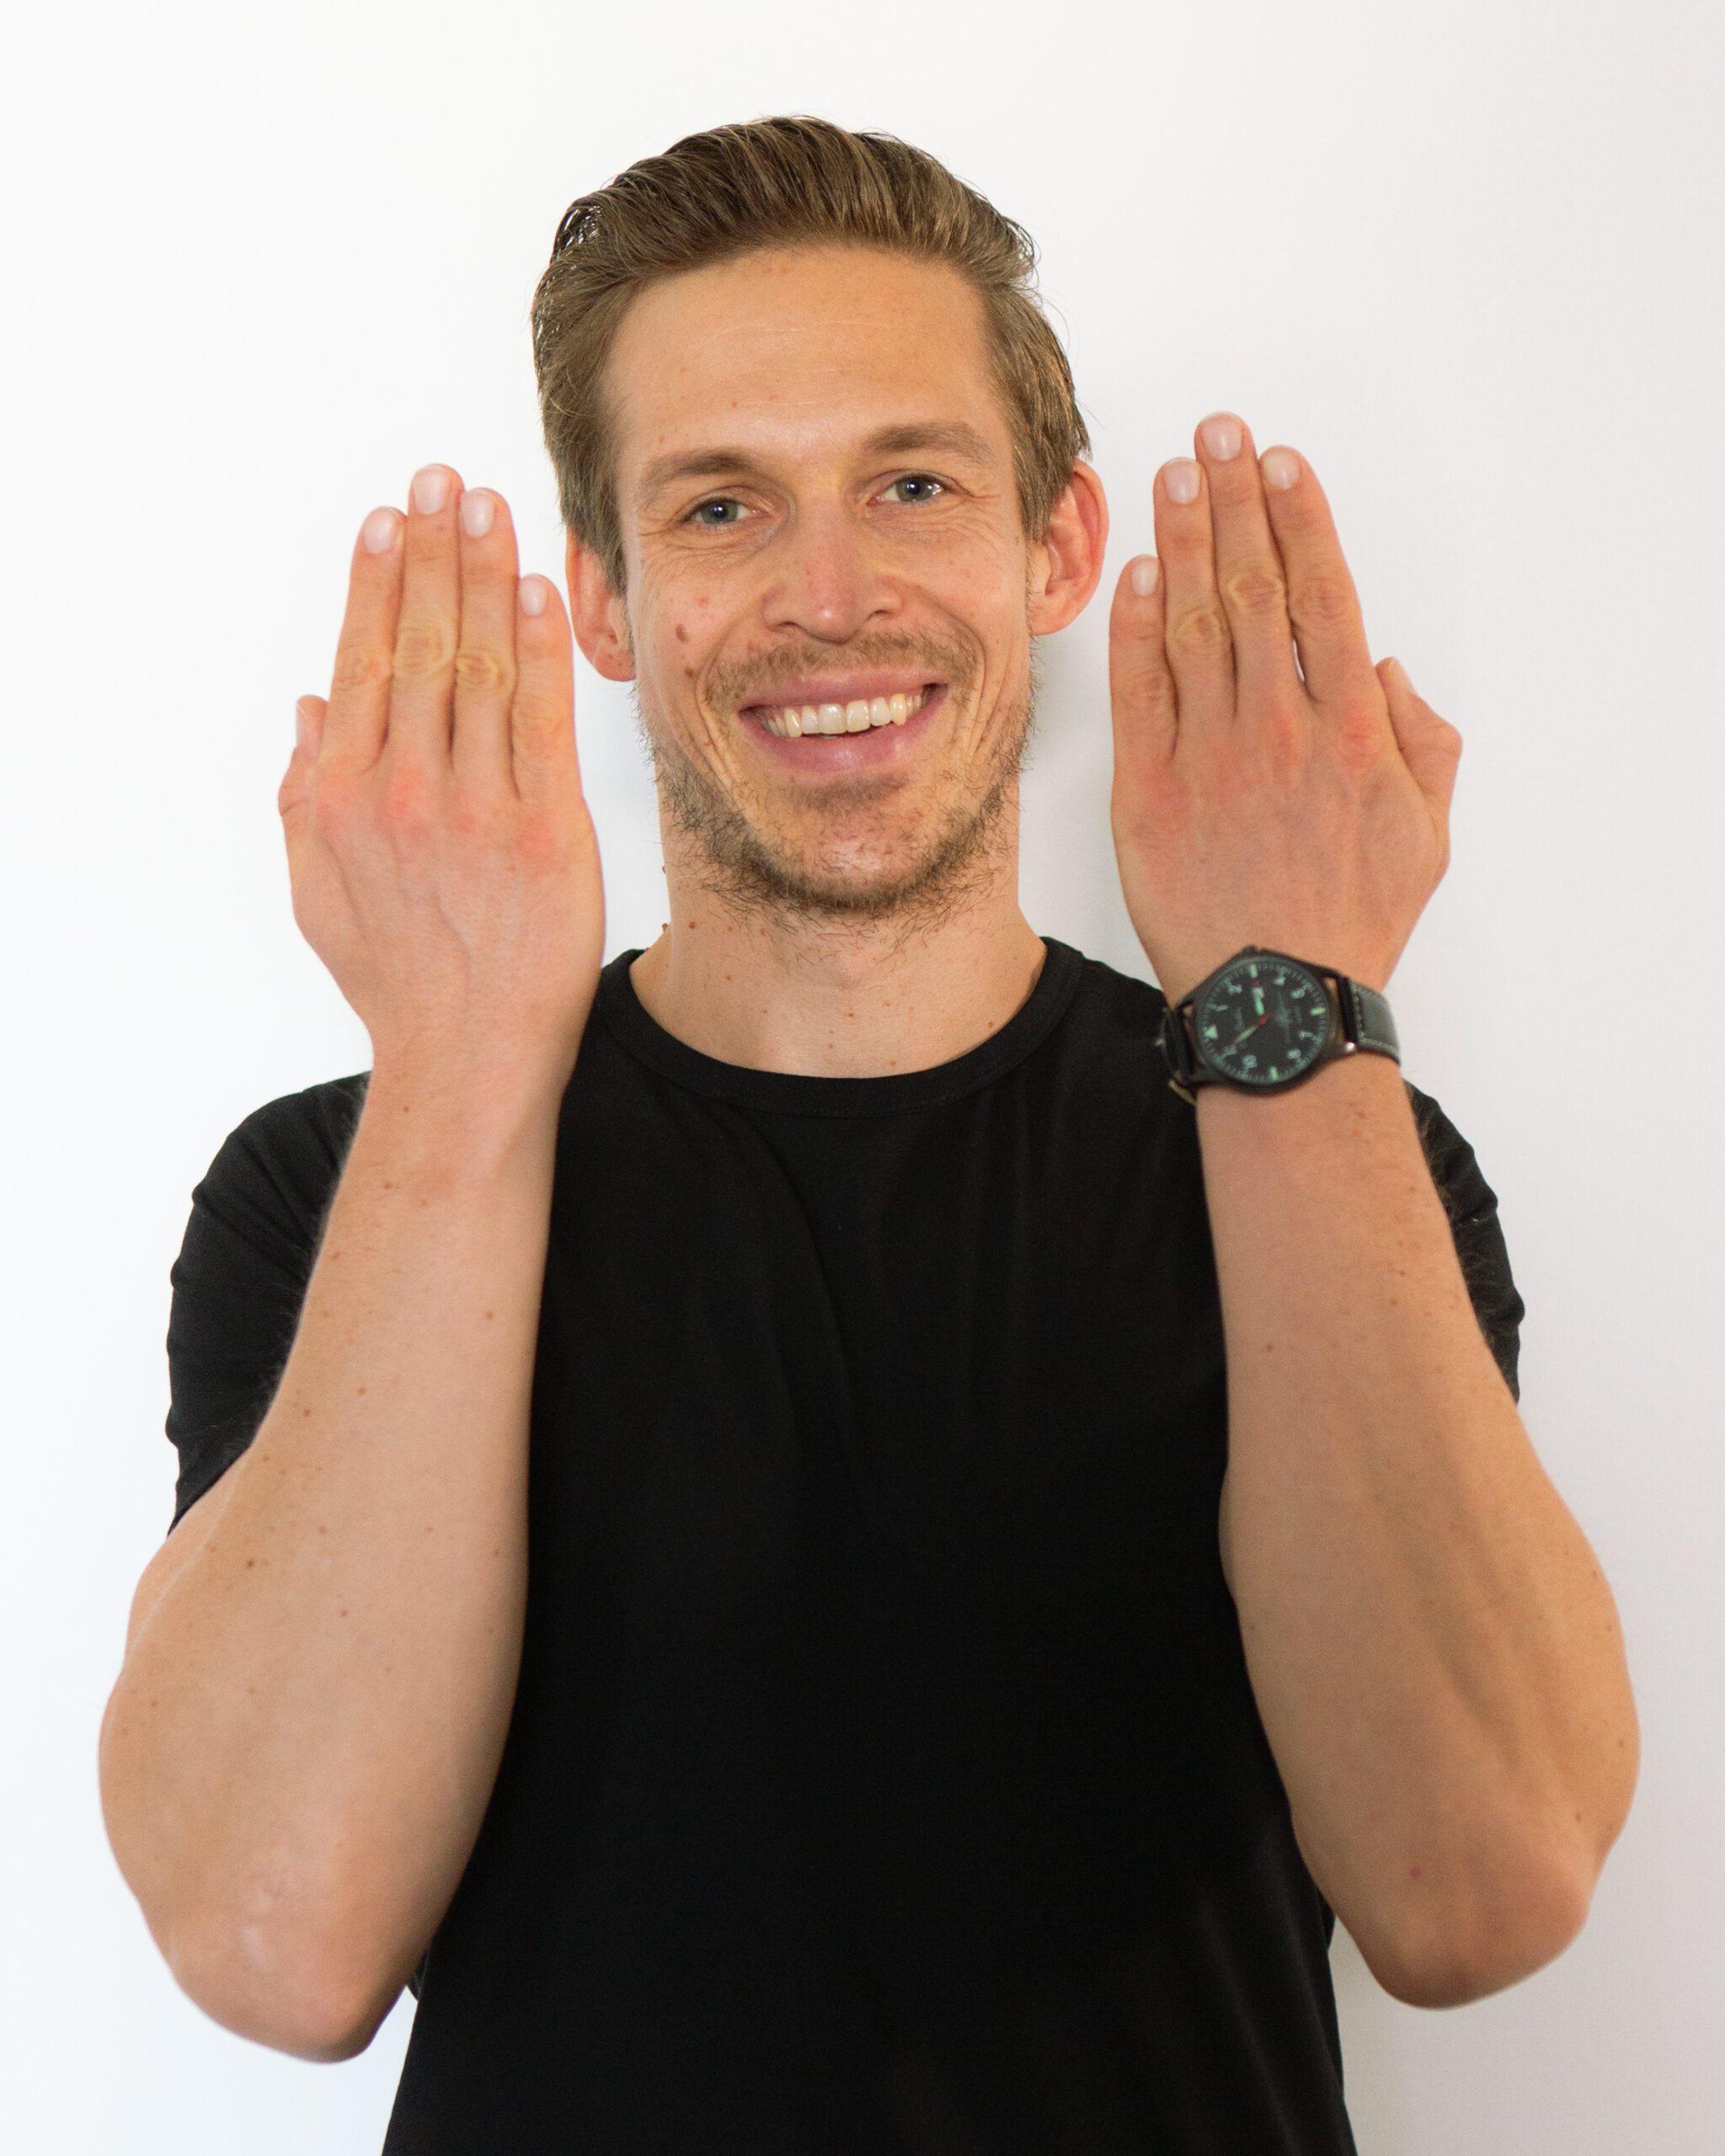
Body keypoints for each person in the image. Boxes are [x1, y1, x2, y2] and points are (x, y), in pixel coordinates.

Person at [99, 115, 1639, 2154]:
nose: (827, 599)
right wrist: (462, 1063)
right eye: (721, 505)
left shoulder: (1321, 1136)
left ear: (1053, 547)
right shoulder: (331, 1185)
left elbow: (1482, 1888)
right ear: (606, 599)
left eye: (912, 482)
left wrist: (1285, 996)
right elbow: (273, 1941)